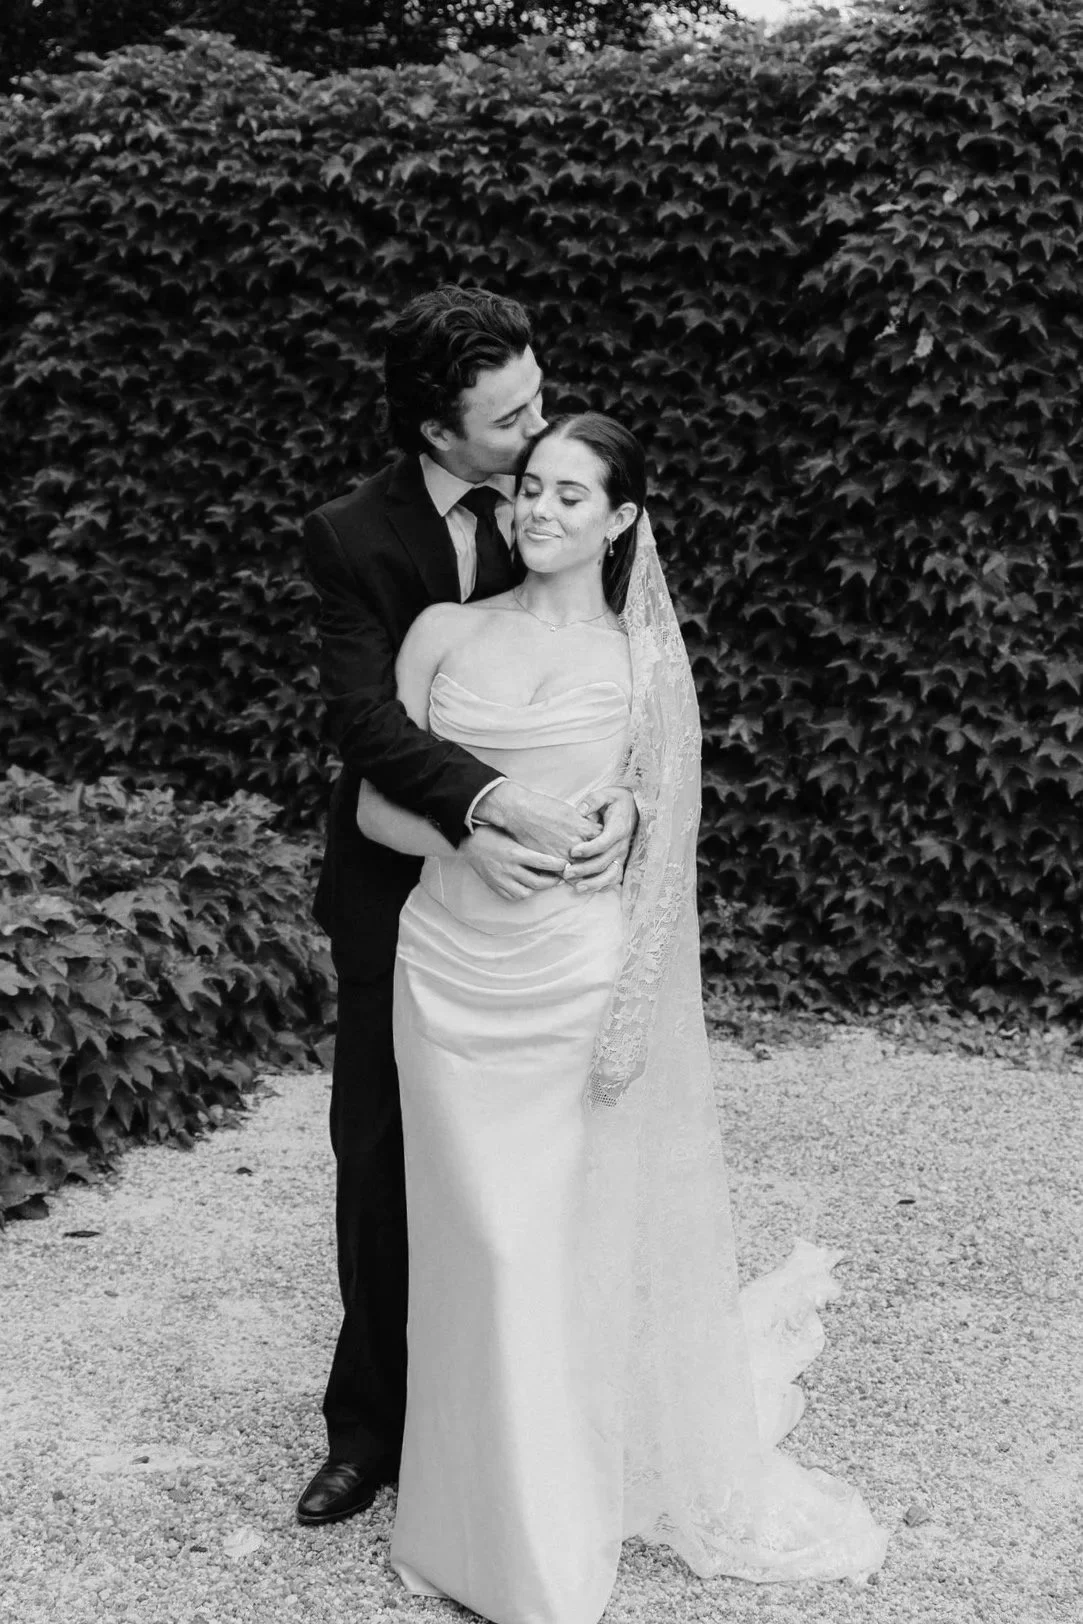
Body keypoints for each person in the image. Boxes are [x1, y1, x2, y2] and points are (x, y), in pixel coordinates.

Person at [355, 412, 889, 1624]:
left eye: (570, 496)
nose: (539, 512)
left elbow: (663, 829)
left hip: (572, 978)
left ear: (622, 521)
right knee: (469, 1244)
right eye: (529, 489)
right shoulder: (441, 632)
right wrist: (472, 842)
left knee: (539, 1242)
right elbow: (375, 816)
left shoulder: (643, 670)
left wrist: (634, 826)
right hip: (446, 966)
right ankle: (464, 1517)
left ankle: (545, 1531)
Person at [297, 288, 638, 1525]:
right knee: (381, 1153)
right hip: (405, 888)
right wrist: (485, 811)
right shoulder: (351, 537)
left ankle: (532, 1408)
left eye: (541, 398)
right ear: (443, 436)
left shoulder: (562, 494)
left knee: (542, 1170)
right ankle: (372, 1428)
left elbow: (631, 695)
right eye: (513, 418)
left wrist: (629, 810)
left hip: (552, 925)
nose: (540, 429)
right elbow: (367, 728)